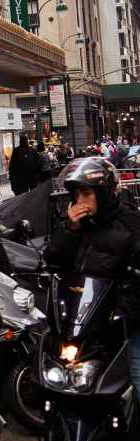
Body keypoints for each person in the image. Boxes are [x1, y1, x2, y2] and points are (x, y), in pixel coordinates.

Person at [43, 158, 140, 404]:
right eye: (77, 194)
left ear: (104, 193)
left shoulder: (131, 225)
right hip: (84, 325)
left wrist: (123, 310)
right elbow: (53, 262)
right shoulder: (79, 226)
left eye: (87, 193)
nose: (80, 201)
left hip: (126, 327)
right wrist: (69, 229)